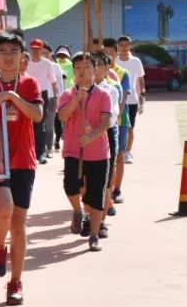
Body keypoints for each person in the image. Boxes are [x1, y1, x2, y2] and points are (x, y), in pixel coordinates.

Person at [0, 30, 43, 306]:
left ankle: (15, 282)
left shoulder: (30, 84)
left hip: (25, 161)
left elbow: (36, 114)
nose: (8, 58)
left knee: (19, 225)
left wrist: (12, 97)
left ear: (22, 57)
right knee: (4, 208)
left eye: (13, 52)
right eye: (2, 52)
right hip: (0, 160)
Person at [57, 51, 113, 252]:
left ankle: (94, 235)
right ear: (73, 71)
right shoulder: (67, 94)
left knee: (96, 194)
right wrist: (76, 100)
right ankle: (77, 211)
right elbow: (63, 117)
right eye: (78, 68)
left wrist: (91, 136)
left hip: (98, 152)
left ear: (95, 69)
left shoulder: (103, 94)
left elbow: (106, 121)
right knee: (71, 186)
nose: (82, 71)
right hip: (73, 150)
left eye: (87, 67)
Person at [95, 53, 123, 221]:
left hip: (106, 133)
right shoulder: (81, 89)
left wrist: (97, 124)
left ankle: (105, 206)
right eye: (94, 65)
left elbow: (112, 116)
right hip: (87, 135)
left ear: (106, 69)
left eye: (100, 65)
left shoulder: (112, 89)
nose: (96, 69)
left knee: (107, 171)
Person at [26, 39, 60, 164]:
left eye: (37, 49)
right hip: (28, 94)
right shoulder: (26, 62)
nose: (35, 51)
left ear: (42, 50)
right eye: (33, 48)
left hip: (43, 95)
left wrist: (55, 98)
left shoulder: (47, 64)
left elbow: (53, 82)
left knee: (40, 125)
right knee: (28, 124)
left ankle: (40, 153)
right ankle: (29, 152)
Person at [115, 35, 146, 163]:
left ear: (130, 46)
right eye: (121, 45)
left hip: (132, 99)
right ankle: (117, 151)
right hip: (117, 98)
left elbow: (140, 80)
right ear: (117, 46)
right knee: (116, 126)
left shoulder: (136, 61)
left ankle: (127, 152)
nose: (123, 47)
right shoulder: (115, 61)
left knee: (130, 127)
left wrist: (142, 100)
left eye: (126, 45)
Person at [53, 46, 73, 151]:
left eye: (64, 55)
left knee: (65, 118)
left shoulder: (72, 65)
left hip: (68, 95)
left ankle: (65, 138)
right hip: (57, 95)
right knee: (58, 119)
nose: (62, 57)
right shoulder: (54, 64)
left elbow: (74, 80)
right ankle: (58, 139)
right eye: (60, 55)